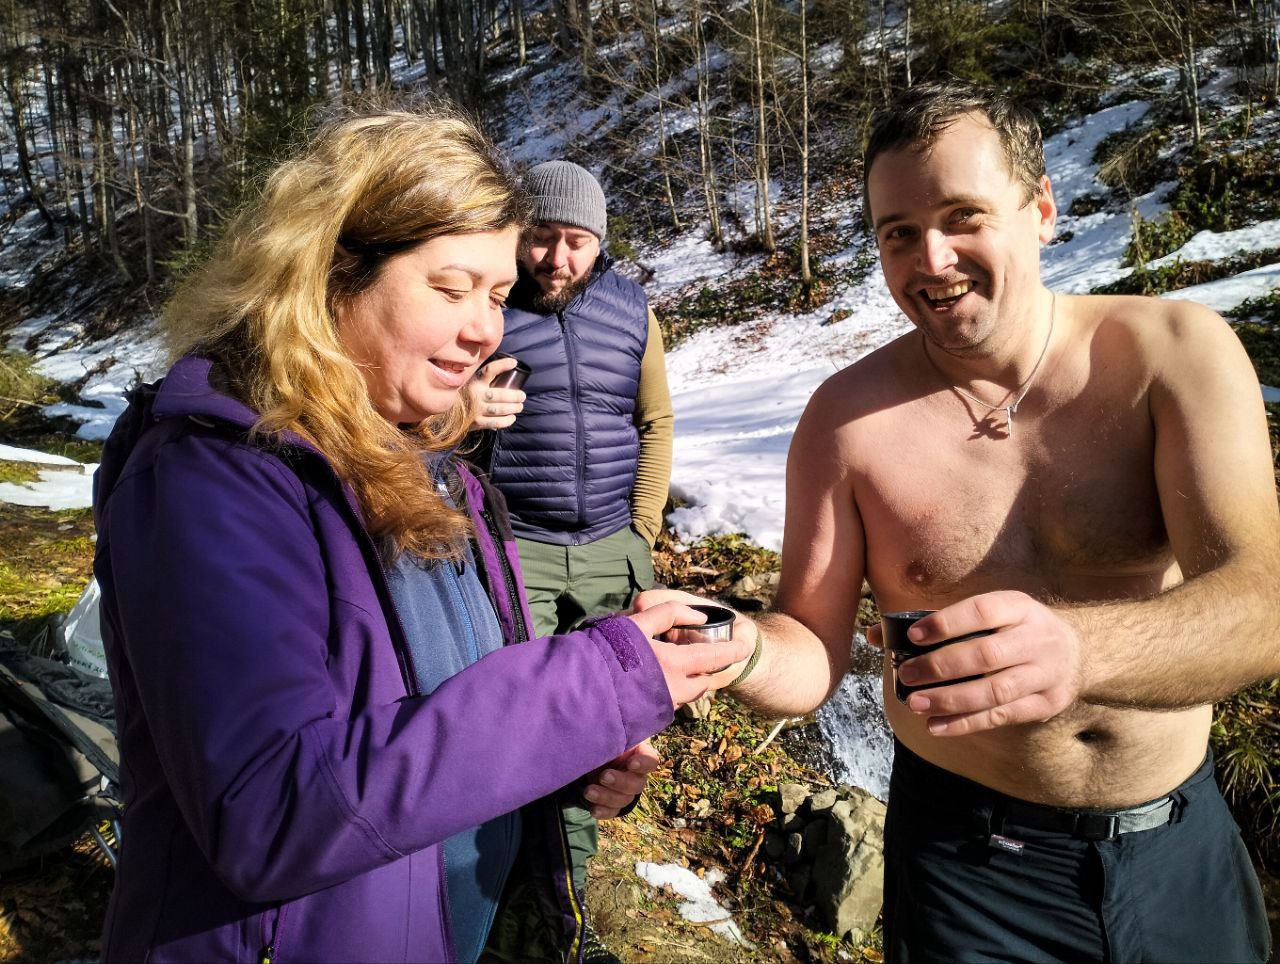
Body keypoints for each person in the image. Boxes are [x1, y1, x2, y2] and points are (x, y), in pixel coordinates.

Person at [91, 106, 750, 964]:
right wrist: (589, 684)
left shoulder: (434, 464)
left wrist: (567, 761)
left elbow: (434, 718)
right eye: (450, 289)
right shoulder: (217, 474)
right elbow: (271, 812)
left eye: (498, 295)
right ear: (332, 274)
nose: (485, 330)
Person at [639, 81, 1280, 962]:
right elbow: (813, 648)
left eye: (963, 215)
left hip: (1179, 844)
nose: (931, 258)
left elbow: (1262, 603)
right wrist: (737, 648)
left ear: (1042, 210)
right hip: (968, 868)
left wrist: (1080, 653)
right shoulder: (846, 422)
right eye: (897, 233)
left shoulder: (1172, 355)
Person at [467, 159, 674, 957]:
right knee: (515, 722)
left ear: (600, 243)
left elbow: (655, 422)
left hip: (608, 555)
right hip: (513, 551)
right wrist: (464, 410)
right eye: (542, 239)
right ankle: (493, 894)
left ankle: (564, 912)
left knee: (599, 732)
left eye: (577, 242)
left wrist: (643, 532)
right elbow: (416, 407)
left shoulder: (632, 308)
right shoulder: (487, 305)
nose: (558, 259)